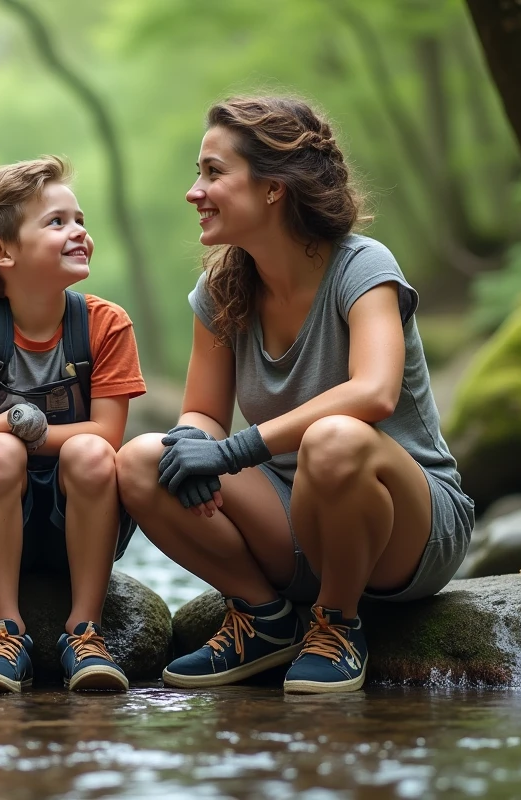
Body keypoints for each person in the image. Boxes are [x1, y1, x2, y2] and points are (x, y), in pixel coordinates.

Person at [115, 96, 474, 694]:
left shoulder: (362, 266)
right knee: (143, 460)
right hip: (291, 521)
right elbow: (203, 412)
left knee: (335, 440)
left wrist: (231, 453)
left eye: (212, 172)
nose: (193, 191)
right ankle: (264, 619)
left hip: (406, 530)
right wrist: (196, 447)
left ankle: (337, 622)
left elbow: (375, 392)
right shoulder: (222, 288)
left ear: (274, 187)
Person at [0, 156, 146, 693]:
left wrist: (30, 431)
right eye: (56, 223)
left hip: (84, 514)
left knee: (90, 454)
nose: (78, 232)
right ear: (1, 252)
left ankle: (85, 630)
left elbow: (107, 435)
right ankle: (6, 632)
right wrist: (12, 428)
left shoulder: (105, 324)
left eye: (79, 220)